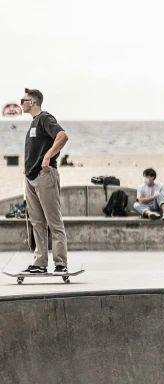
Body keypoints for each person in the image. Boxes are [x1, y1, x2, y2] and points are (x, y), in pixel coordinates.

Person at [20, 88, 69, 274]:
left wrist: (48, 157)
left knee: (54, 222)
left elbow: (62, 136)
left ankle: (61, 264)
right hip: (31, 178)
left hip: (44, 176)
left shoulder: (44, 118)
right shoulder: (33, 123)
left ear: (32, 102)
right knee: (37, 223)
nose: (21, 103)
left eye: (23, 100)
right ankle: (40, 262)